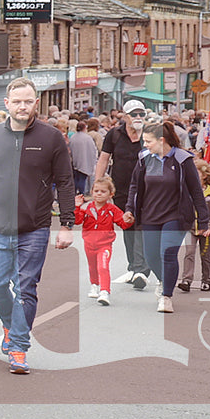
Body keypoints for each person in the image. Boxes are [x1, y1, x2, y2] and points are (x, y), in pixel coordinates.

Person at [0, 77, 76, 375]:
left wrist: (67, 223)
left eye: (28, 101)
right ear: (6, 104)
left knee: (26, 288)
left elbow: (65, 182)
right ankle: (10, 324)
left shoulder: (52, 137)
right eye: (16, 101)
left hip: (35, 227)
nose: (22, 106)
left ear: (35, 103)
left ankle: (18, 347)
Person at [124, 122, 209, 314]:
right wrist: (130, 208)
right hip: (150, 214)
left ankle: (166, 296)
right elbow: (135, 186)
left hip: (176, 215)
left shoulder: (182, 160)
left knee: (168, 253)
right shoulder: (144, 159)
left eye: (148, 141)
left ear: (161, 141)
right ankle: (164, 279)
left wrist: (203, 221)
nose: (145, 145)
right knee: (151, 256)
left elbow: (196, 191)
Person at [94, 100, 152, 289]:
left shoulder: (150, 134)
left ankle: (142, 270)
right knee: (128, 225)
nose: (137, 118)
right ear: (125, 117)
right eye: (133, 114)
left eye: (140, 114)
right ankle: (134, 266)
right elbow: (103, 160)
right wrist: (98, 185)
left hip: (146, 189)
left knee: (141, 226)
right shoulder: (114, 135)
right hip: (120, 189)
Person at [75, 177, 134, 306]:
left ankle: (104, 291)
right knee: (92, 266)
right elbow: (77, 220)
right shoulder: (86, 208)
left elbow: (123, 223)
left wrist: (128, 220)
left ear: (110, 194)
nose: (99, 194)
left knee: (103, 266)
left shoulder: (112, 209)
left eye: (103, 191)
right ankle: (94, 285)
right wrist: (77, 207)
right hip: (89, 243)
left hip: (105, 244)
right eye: (96, 191)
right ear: (91, 192)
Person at [176, 159, 210, 293]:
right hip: (191, 228)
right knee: (189, 253)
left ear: (204, 175)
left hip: (206, 229)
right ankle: (186, 280)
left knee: (205, 255)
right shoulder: (187, 191)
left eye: (195, 173)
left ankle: (206, 281)